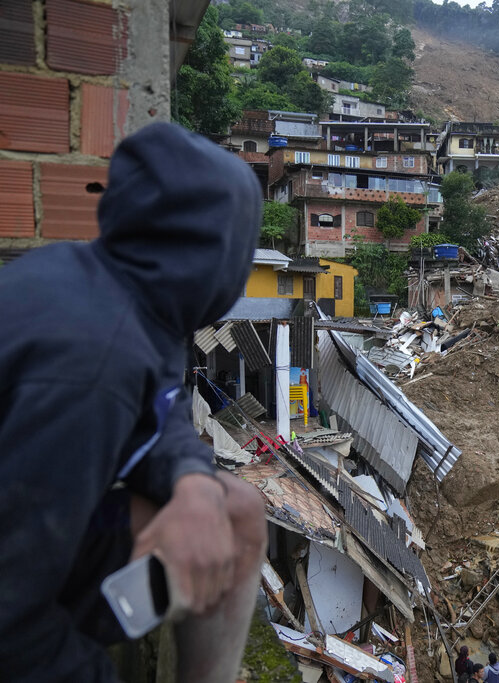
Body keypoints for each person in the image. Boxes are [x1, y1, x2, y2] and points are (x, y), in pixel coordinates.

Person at [0, 122, 268, 682]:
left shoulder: (123, 292)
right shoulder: (92, 367)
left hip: (42, 536)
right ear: (219, 254)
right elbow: (10, 615)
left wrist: (192, 483)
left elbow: (163, 408)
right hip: (19, 589)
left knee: (236, 512)